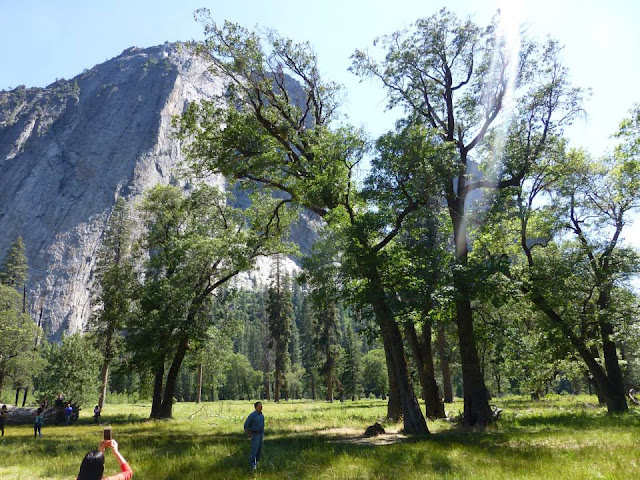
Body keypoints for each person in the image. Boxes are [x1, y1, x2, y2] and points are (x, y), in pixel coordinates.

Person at [243, 401, 264, 473]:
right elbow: (246, 425)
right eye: (259, 405)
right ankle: (252, 466)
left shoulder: (261, 415)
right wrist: (248, 432)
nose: (261, 407)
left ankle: (257, 463)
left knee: (259, 450)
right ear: (256, 407)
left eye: (261, 405)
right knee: (254, 450)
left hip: (261, 434)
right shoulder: (252, 415)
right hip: (255, 435)